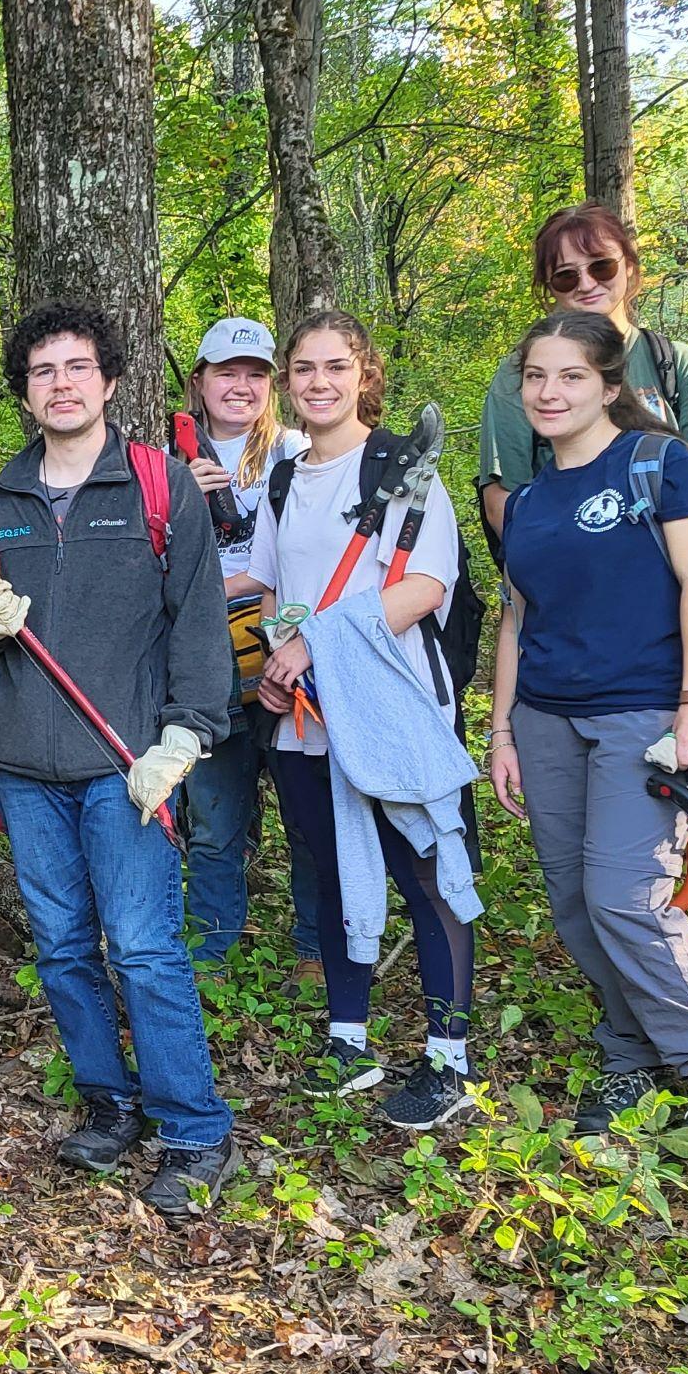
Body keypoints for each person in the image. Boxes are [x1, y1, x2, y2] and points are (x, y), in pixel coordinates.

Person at [0, 303, 243, 1210]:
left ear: (110, 381)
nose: (61, 384)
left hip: (130, 767)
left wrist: (188, 734)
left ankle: (194, 1130)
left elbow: (200, 622)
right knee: (66, 947)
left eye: (78, 367)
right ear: (25, 392)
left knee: (146, 949)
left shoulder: (159, 487)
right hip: (25, 769)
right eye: (42, 372)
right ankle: (109, 1103)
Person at [484, 313, 688, 1145]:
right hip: (545, 718)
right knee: (577, 903)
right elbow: (516, 619)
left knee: (626, 896)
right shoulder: (531, 501)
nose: (550, 392)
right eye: (536, 377)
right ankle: (632, 1051)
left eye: (571, 376)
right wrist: (503, 734)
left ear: (609, 386)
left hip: (642, 715)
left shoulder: (660, 465)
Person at [247, 311, 483, 1131]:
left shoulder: (403, 469)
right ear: (287, 380)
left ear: (364, 373)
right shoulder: (284, 477)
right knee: (334, 867)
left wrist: (314, 645)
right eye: (304, 368)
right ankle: (350, 1040)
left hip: (389, 706)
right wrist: (280, 662)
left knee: (425, 872)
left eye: (335, 366)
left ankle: (449, 1057)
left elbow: (424, 587)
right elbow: (275, 590)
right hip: (305, 715)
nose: (319, 382)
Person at [174, 315, 320, 977]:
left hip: (289, 654)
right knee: (213, 818)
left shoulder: (302, 450)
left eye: (255, 374)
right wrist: (180, 503)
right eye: (226, 372)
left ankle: (319, 950)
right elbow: (143, 568)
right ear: (199, 381)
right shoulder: (163, 462)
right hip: (206, 662)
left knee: (309, 812)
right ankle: (214, 958)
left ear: (274, 384)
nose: (240, 386)